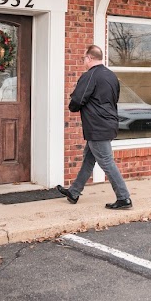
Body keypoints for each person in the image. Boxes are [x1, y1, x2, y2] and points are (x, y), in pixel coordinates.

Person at [57, 45, 132, 209]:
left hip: (97, 126)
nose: (84, 61)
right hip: (108, 123)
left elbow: (78, 99)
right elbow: (114, 99)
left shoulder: (90, 75)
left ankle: (123, 197)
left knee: (106, 161)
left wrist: (73, 106)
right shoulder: (111, 76)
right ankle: (74, 192)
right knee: (89, 159)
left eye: (84, 58)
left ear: (89, 58)